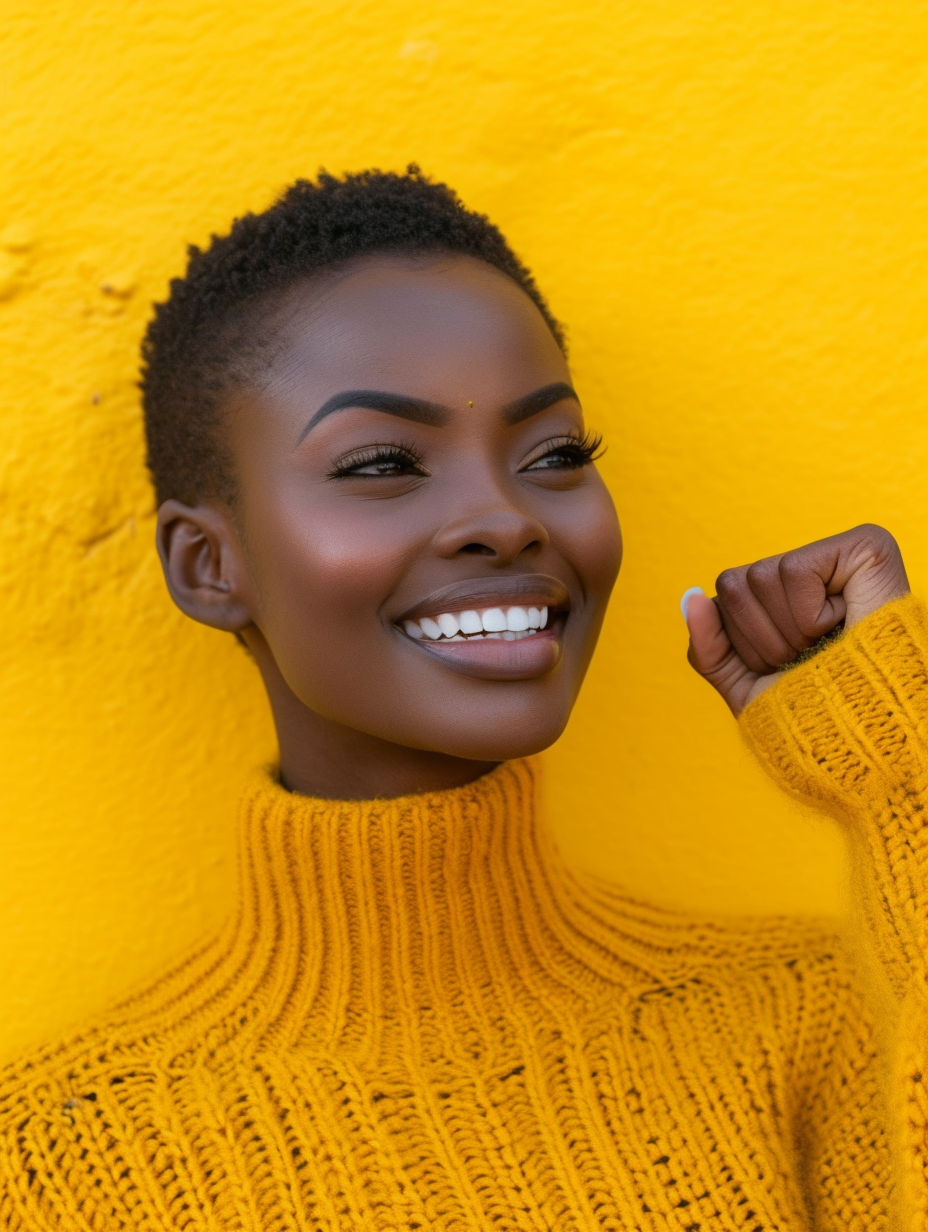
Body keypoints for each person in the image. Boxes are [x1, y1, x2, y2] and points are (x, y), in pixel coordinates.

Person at [0, 168, 923, 1230]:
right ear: (209, 563)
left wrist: (896, 770)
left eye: (556, 453)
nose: (505, 515)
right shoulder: (57, 1158)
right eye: (385, 461)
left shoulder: (807, 1018)